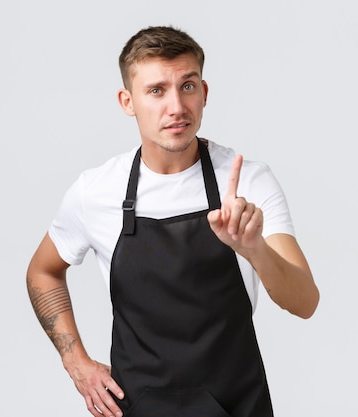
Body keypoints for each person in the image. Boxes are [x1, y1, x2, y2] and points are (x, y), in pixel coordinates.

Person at [26, 25, 319, 417]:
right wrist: (76, 363)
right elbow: (42, 271)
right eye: (156, 91)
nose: (176, 107)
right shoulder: (95, 192)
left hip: (237, 406)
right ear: (127, 101)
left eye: (187, 86)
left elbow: (305, 302)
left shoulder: (248, 181)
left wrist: (255, 250)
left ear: (204, 93)